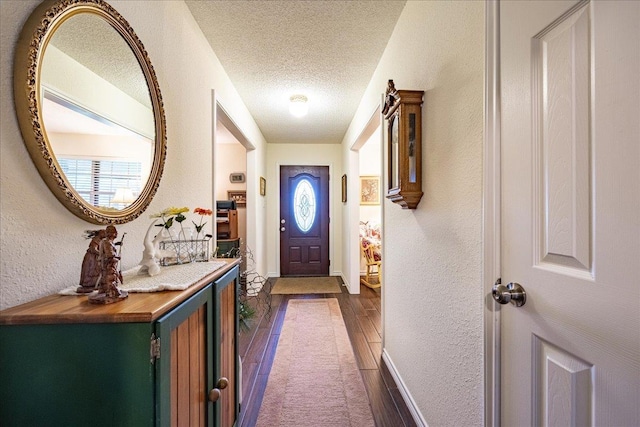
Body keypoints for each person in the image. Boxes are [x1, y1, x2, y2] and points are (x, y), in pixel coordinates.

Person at [77, 229, 105, 293]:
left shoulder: (102, 240)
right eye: (104, 233)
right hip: (91, 258)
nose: (105, 235)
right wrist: (101, 254)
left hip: (96, 258)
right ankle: (88, 283)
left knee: (97, 270)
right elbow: (93, 249)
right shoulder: (96, 239)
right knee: (91, 270)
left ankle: (95, 283)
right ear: (100, 234)